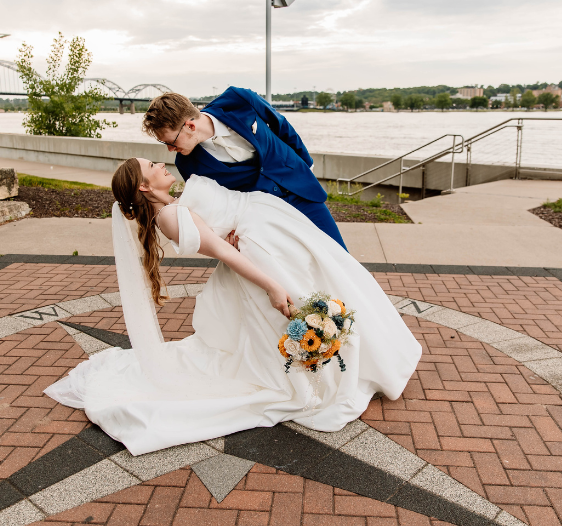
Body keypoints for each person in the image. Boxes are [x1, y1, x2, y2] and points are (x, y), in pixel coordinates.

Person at [44, 159, 422, 456]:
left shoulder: (171, 209)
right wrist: (272, 284)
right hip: (257, 268)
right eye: (152, 167)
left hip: (260, 245)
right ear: (144, 185)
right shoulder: (170, 216)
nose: (161, 165)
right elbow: (224, 251)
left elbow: (219, 237)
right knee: (286, 320)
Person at [141, 88, 347, 250]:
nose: (170, 149)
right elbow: (218, 201)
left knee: (339, 256)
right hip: (267, 217)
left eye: (171, 141)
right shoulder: (187, 164)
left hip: (301, 188)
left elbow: (281, 125)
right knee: (302, 269)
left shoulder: (238, 99)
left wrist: (305, 164)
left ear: (190, 126)